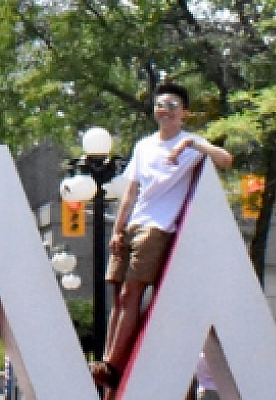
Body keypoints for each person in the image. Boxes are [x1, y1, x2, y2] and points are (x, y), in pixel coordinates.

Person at [95, 82, 233, 392]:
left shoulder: (190, 143)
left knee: (133, 291)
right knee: (118, 296)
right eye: (160, 105)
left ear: (183, 112)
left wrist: (192, 145)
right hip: (133, 224)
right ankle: (109, 363)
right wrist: (117, 229)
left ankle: (112, 366)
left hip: (157, 228)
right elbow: (131, 192)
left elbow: (225, 160)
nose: (165, 110)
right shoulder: (144, 145)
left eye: (172, 105)